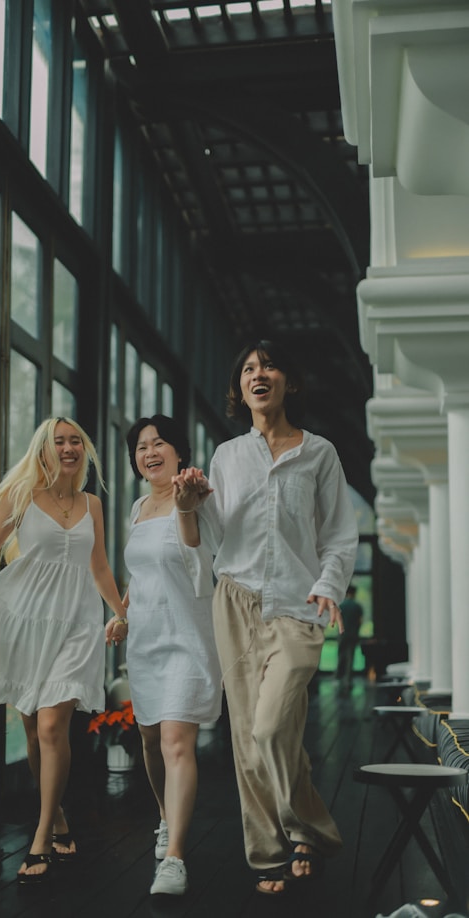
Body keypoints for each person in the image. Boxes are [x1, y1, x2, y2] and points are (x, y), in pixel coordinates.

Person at [172, 340, 358, 896]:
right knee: (250, 741)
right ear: (241, 388)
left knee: (272, 725)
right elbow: (202, 536)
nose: (259, 374)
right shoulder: (227, 457)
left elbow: (340, 537)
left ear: (288, 383)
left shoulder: (319, 453)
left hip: (299, 608)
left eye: (270, 365)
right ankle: (271, 851)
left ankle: (309, 826)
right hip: (236, 601)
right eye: (249, 368)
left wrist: (328, 588)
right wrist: (188, 501)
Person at [0, 417, 128, 885]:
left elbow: (98, 564)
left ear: (85, 450)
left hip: (77, 625)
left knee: (52, 723)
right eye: (58, 441)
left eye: (75, 440)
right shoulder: (21, 497)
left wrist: (121, 612)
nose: (68, 447)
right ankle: (56, 814)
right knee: (37, 732)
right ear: (43, 450)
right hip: (25, 621)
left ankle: (39, 837)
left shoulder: (92, 504)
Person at [105, 415, 222, 897]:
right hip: (147, 640)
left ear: (179, 452)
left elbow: (200, 565)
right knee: (151, 743)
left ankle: (174, 856)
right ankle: (163, 815)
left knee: (176, 743)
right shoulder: (136, 508)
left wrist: (187, 509)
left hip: (189, 637)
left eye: (159, 443)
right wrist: (122, 612)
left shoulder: (197, 496)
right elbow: (141, 572)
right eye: (141, 446)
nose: (149, 451)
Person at [336, 584, 363, 696]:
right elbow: (360, 621)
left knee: (341, 655)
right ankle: (348, 678)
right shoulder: (357, 606)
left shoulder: (341, 605)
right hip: (353, 634)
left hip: (342, 634)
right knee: (350, 657)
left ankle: (338, 677)